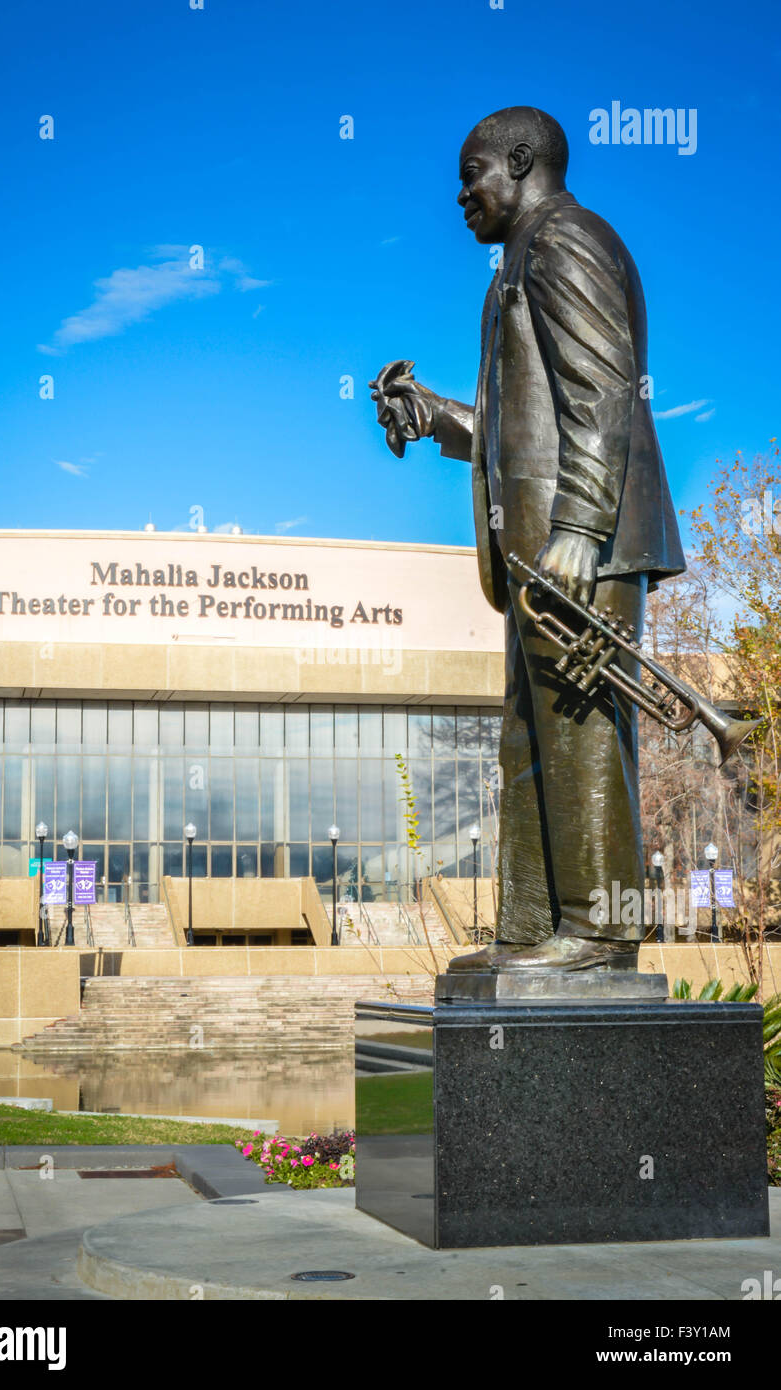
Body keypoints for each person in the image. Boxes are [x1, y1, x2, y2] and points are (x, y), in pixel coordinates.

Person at [370, 107, 684, 972]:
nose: (461, 194)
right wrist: (439, 417)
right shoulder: (517, 260)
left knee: (578, 728)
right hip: (540, 553)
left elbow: (603, 393)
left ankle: (598, 933)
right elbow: (526, 433)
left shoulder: (562, 241)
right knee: (530, 738)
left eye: (472, 173)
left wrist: (581, 527)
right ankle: (533, 929)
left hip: (574, 548)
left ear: (519, 162)